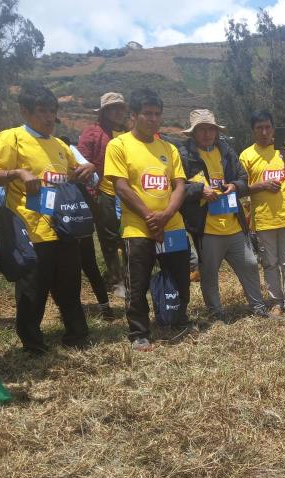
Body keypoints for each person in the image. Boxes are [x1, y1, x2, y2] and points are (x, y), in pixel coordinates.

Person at [0, 83, 95, 354]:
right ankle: (33, 345)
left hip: (64, 228)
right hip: (31, 230)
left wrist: (88, 169)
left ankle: (77, 336)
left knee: (69, 286)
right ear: (25, 111)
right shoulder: (11, 138)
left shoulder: (60, 145)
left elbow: (79, 173)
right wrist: (19, 173)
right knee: (33, 291)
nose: (49, 117)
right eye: (42, 111)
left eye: (52, 111)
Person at [104, 88, 190, 351]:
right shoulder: (119, 145)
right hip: (138, 229)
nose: (152, 119)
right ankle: (139, 332)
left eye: (157, 114)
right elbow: (121, 186)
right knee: (137, 283)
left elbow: (180, 186)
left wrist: (165, 215)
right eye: (147, 114)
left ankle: (178, 319)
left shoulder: (169, 148)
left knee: (180, 278)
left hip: (172, 227)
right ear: (134, 115)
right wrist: (150, 217)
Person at [177, 108, 267, 320]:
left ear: (217, 131)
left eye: (211, 129)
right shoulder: (183, 155)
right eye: (201, 130)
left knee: (250, 264)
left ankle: (258, 308)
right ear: (193, 133)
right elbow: (177, 188)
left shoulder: (227, 152)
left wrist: (234, 186)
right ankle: (217, 313)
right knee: (209, 274)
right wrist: (200, 190)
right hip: (206, 229)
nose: (207, 134)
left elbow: (243, 179)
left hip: (234, 224)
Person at [240, 111, 285, 318]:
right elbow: (242, 187)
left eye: (267, 127)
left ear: (274, 128)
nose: (264, 132)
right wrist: (262, 185)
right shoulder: (246, 155)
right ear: (253, 131)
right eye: (259, 128)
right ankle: (276, 302)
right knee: (269, 264)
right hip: (264, 220)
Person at [78, 92, 128, 297]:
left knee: (128, 236)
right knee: (109, 238)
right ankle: (116, 280)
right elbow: (80, 162)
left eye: (120, 108)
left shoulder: (127, 132)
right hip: (104, 193)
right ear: (104, 111)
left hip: (127, 193)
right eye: (112, 108)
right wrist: (90, 166)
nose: (117, 111)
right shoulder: (92, 133)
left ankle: (130, 276)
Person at [59, 135, 113, 321]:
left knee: (78, 266)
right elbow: (93, 179)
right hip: (79, 214)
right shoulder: (72, 152)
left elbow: (93, 177)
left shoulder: (67, 152)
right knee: (88, 265)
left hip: (68, 215)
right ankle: (103, 308)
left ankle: (76, 312)